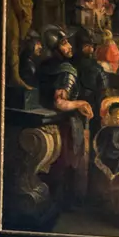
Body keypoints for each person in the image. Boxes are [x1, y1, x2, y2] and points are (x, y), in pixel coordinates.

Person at [38, 31, 92, 206]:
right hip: (65, 124)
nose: (69, 47)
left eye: (68, 42)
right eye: (64, 43)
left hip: (50, 122)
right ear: (55, 48)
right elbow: (60, 102)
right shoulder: (66, 70)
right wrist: (80, 103)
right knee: (64, 166)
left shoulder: (44, 66)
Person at [73, 29, 109, 116]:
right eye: (86, 46)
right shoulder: (70, 64)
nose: (90, 49)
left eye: (92, 46)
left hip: (93, 108)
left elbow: (103, 90)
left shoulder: (97, 68)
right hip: (73, 108)